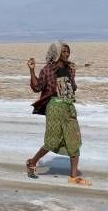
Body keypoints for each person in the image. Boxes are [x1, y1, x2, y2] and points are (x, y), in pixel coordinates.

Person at [25, 41, 90, 186]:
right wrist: (32, 70)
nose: (67, 54)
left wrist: (73, 75)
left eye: (68, 51)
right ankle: (32, 162)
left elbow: (73, 88)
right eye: (64, 51)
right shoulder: (47, 69)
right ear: (57, 53)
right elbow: (37, 87)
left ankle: (73, 176)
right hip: (54, 107)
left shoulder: (69, 68)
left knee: (74, 139)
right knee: (52, 140)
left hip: (68, 107)